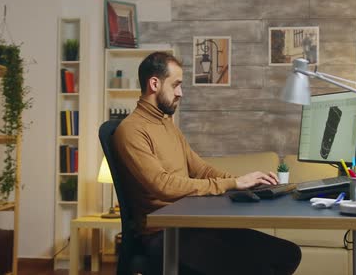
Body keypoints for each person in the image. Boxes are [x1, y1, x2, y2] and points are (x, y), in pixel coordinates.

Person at [113, 52, 301, 275]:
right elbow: (161, 185)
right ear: (154, 83)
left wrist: (244, 181)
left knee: (288, 254)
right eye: (176, 85)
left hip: (191, 224)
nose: (180, 93)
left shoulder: (167, 124)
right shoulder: (131, 130)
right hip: (163, 235)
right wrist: (231, 184)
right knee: (261, 269)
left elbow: (200, 169)